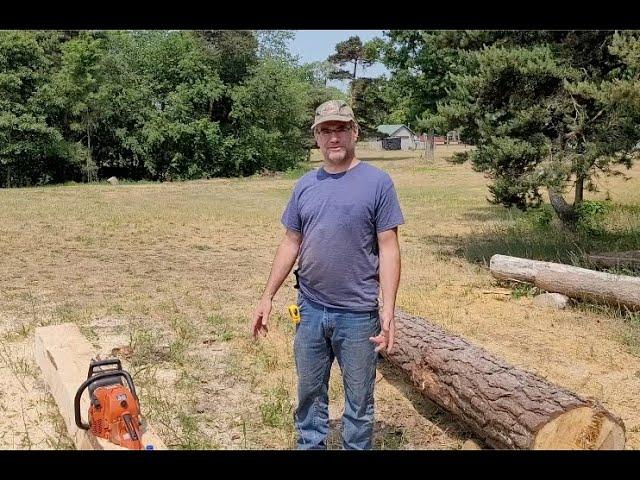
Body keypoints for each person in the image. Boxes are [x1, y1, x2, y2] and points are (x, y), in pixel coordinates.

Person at [251, 99, 404, 450]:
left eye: (340, 129)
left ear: (354, 132)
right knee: (309, 395)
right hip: (311, 310)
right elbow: (291, 243)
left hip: (358, 315)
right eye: (325, 130)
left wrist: (388, 309)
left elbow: (389, 248)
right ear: (316, 138)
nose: (333, 137)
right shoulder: (305, 185)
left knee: (359, 404)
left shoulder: (377, 183)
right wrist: (267, 296)